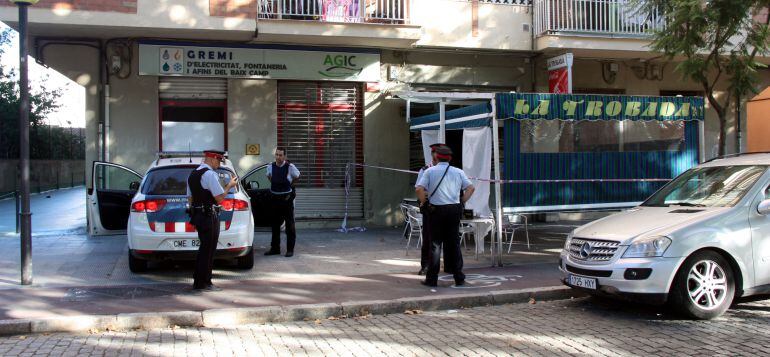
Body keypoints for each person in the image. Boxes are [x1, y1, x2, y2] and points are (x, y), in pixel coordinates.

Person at [415, 145, 475, 287]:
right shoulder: (458, 172)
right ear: (450, 158)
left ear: (436, 157)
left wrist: (424, 202)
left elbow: (419, 188)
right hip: (454, 209)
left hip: (436, 210)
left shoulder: (429, 171)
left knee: (435, 245)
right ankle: (459, 277)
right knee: (453, 244)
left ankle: (432, 279)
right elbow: (471, 188)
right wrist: (462, 202)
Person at [187, 149, 238, 291]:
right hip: (209, 216)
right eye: (218, 160)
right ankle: (204, 283)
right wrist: (229, 185)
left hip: (198, 216)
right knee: (208, 250)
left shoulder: (193, 174)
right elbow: (220, 198)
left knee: (204, 249)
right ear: (211, 159)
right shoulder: (209, 174)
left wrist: (195, 215)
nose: (219, 163)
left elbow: (190, 198)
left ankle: (199, 281)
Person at [264, 147, 301, 257]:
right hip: (275, 198)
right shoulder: (270, 166)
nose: (278, 157)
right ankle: (275, 248)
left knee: (289, 225)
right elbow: (269, 177)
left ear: (284, 156)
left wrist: (290, 185)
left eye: (281, 155)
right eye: (277, 154)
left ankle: (290, 249)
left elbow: (298, 176)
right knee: (275, 225)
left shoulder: (290, 167)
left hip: (286, 199)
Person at [416, 143, 442, 276]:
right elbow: (419, 189)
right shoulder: (425, 170)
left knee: (448, 239)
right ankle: (425, 266)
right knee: (428, 238)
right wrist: (425, 201)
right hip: (431, 208)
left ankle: (448, 265)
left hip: (445, 208)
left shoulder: (449, 170)